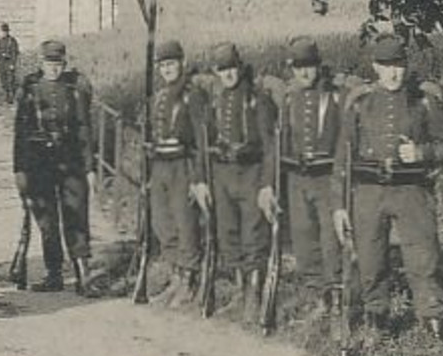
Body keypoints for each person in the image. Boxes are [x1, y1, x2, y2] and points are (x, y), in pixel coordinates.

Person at [333, 35, 443, 340]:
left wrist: (422, 153)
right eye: (386, 65)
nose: (393, 73)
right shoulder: (361, 104)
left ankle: (435, 328)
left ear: (406, 65)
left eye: (398, 65)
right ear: (375, 66)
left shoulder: (423, 101)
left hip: (411, 190)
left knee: (423, 260)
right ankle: (378, 322)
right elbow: (342, 159)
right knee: (371, 261)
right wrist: (339, 205)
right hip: (369, 193)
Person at [12, 40, 97, 294]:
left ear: (64, 64)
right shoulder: (31, 88)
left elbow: (84, 128)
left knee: (76, 215)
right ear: (42, 63)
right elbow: (20, 132)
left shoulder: (74, 88)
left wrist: (90, 167)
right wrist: (19, 170)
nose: (54, 69)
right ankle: (54, 274)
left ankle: (83, 275)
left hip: (71, 161)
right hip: (39, 163)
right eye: (50, 64)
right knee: (47, 220)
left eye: (58, 64)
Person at [268, 37, 345, 317]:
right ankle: (315, 295)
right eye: (298, 68)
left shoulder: (335, 96)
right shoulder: (289, 99)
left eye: (309, 66)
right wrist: (273, 181)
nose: (304, 73)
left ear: (318, 66)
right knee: (303, 236)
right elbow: (280, 141)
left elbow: (345, 138)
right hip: (297, 178)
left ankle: (336, 295)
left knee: (330, 239)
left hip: (327, 177)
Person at [205, 43, 277, 315]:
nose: (228, 74)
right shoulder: (217, 100)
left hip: (251, 172)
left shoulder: (257, 99)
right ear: (216, 72)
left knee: (253, 232)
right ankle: (239, 289)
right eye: (223, 69)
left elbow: (270, 145)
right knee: (228, 232)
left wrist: (267, 183)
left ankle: (254, 293)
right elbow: (207, 139)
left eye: (232, 68)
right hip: (223, 174)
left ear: (240, 68)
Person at [146, 39, 212, 308]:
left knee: (185, 222)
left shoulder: (192, 95)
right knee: (163, 222)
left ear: (182, 63)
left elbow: (201, 139)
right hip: (161, 165)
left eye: (172, 64)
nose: (167, 69)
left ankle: (189, 279)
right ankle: (175, 276)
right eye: (163, 65)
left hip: (183, 164)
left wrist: (198, 178)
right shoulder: (161, 97)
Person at [0, 23, 20, 104]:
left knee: (10, 81)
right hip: (1, 63)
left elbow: (15, 53)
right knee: (3, 81)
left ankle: (12, 97)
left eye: (5, 31)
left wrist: (13, 64)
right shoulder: (0, 41)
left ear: (8, 31)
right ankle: (6, 97)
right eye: (3, 31)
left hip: (9, 63)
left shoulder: (12, 41)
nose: (4, 33)